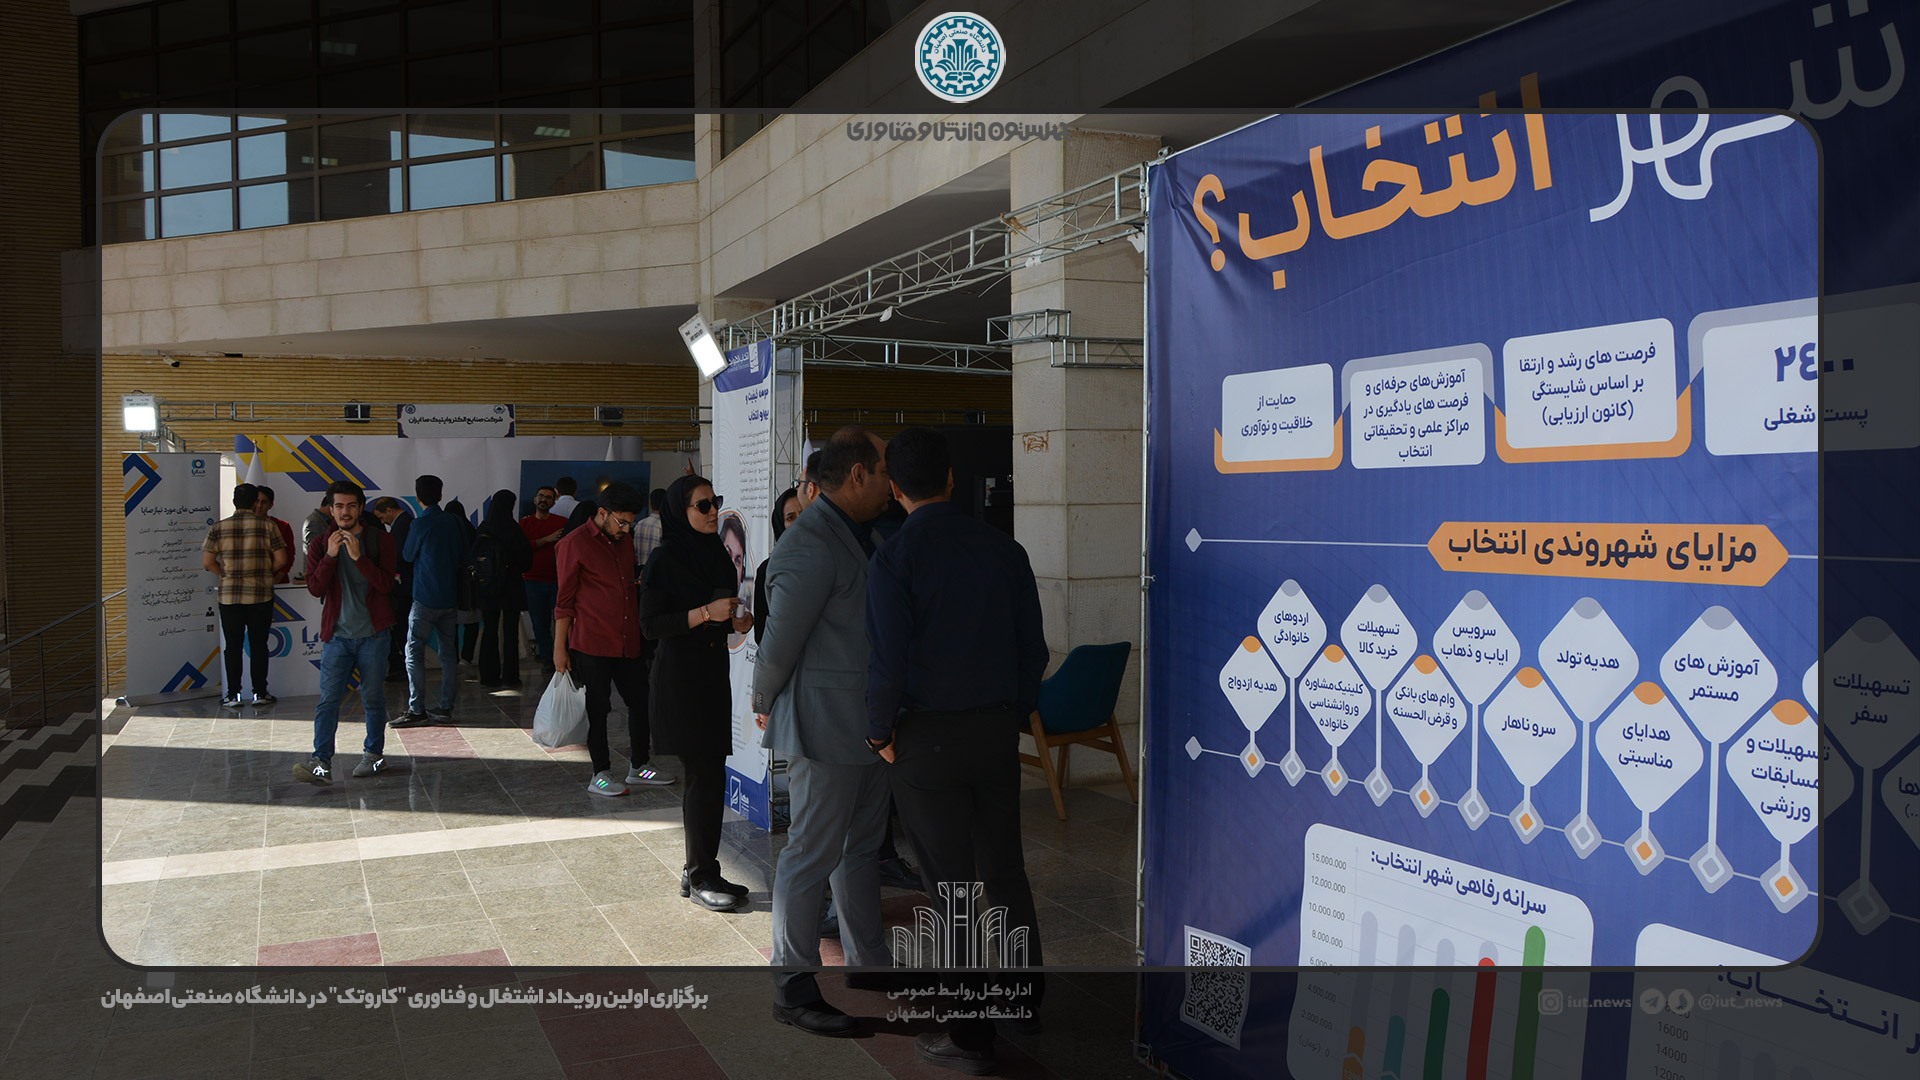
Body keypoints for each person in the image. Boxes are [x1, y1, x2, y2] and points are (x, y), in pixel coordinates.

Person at [865, 426, 1050, 1075]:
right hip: (995, 732)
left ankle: (970, 1037)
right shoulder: (1004, 549)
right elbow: (1035, 650)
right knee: (1004, 869)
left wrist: (878, 734)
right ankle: (1024, 1001)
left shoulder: (893, 558)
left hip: (925, 741)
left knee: (952, 887)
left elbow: (886, 663)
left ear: (894, 488)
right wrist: (1013, 712)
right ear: (950, 479)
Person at [753, 426, 897, 1038]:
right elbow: (779, 642)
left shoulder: (863, 534)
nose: (892, 482)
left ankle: (868, 962)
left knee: (861, 848)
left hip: (868, 728)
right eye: (884, 470)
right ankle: (793, 984)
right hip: (823, 728)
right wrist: (762, 700)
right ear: (858, 475)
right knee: (810, 854)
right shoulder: (808, 542)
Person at [640, 474, 752, 912]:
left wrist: (735, 622)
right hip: (681, 681)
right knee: (704, 775)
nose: (712, 512)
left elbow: (720, 618)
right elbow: (652, 626)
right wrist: (706, 612)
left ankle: (700, 869)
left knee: (711, 774)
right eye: (702, 506)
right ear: (679, 511)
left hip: (712, 675)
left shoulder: (717, 554)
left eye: (714, 502)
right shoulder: (665, 559)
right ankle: (701, 872)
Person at [554, 482, 672, 795]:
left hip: (627, 639)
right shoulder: (573, 544)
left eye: (630, 523)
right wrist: (559, 650)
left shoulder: (624, 540)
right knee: (598, 709)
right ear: (602, 513)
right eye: (621, 522)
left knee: (641, 701)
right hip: (591, 643)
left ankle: (640, 767)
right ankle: (601, 774)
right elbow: (564, 603)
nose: (626, 529)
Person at [294, 480, 400, 785]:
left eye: (351, 505)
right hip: (337, 636)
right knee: (328, 701)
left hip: (374, 635)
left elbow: (386, 585)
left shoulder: (380, 540)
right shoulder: (320, 543)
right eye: (339, 506)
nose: (345, 512)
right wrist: (330, 556)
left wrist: (358, 558)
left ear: (361, 508)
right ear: (330, 509)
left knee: (373, 699)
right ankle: (321, 762)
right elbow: (315, 588)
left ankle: (374, 756)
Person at [201, 482, 289, 708]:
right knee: (259, 645)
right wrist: (263, 573)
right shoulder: (268, 526)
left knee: (233, 646)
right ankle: (260, 693)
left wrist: (227, 574)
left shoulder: (218, 528)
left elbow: (208, 562)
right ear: (253, 503)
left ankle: (233, 695)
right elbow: (282, 560)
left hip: (229, 597)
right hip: (260, 596)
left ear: (234, 502)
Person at [396, 475, 466, 726]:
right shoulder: (455, 522)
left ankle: (417, 709)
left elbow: (407, 554)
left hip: (424, 597)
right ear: (441, 495)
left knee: (413, 651)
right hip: (450, 597)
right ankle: (446, 707)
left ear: (417, 497)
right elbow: (463, 554)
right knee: (449, 655)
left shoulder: (419, 524)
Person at [475, 489, 534, 688]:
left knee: (489, 631)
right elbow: (526, 562)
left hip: (488, 587)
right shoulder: (513, 529)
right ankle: (510, 676)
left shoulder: (483, 529)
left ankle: (488, 676)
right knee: (510, 633)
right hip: (511, 587)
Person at [520, 485, 564, 670]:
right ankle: (547, 658)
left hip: (558, 580)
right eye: (540, 496)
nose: (543, 499)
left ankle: (563, 657)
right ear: (535, 499)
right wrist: (547, 539)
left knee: (562, 622)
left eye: (548, 497)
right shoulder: (525, 524)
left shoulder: (562, 522)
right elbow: (522, 548)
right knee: (539, 623)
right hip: (533, 580)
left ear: (553, 502)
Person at [370, 496, 414, 681]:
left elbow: (402, 555)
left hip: (404, 586)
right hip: (404, 584)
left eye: (382, 517)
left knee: (402, 627)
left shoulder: (402, 525)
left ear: (389, 510)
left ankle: (405, 668)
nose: (382, 522)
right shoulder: (404, 523)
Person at [445, 498, 481, 664]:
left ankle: (452, 657)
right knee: (471, 622)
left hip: (450, 581)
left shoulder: (446, 530)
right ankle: (467, 657)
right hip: (470, 584)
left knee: (449, 623)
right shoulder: (471, 529)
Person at [254, 484, 297, 584]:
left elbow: (289, 555)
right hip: (250, 582)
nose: (259, 506)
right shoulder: (242, 526)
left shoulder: (282, 526)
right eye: (257, 501)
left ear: (270, 505)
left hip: (277, 582)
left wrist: (279, 576)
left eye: (264, 502)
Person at [634, 487, 666, 568]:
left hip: (640, 570)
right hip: (657, 569)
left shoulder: (640, 524)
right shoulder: (665, 526)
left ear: (651, 505)